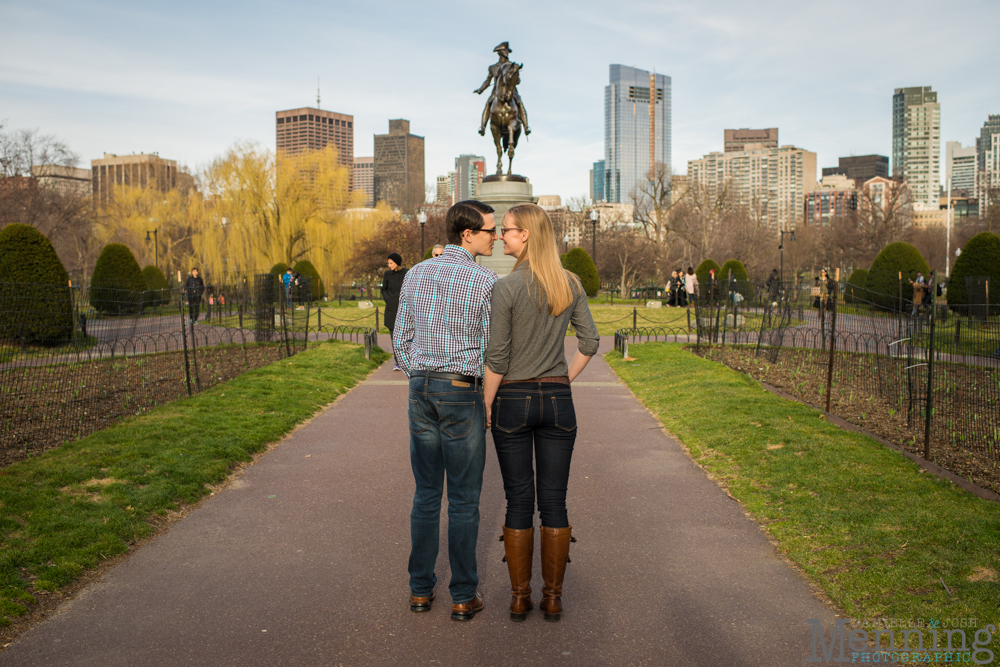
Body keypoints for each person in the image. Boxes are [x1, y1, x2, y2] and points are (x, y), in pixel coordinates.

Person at [484, 202, 599, 623]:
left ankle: (519, 597)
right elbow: (590, 342)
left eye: (508, 230)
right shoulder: (569, 283)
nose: (501, 236)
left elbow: (497, 356)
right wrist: (564, 379)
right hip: (557, 398)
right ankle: (553, 597)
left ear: (526, 235)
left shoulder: (506, 288)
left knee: (519, 499)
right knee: (554, 500)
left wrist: (486, 403)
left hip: (513, 397)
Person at [393, 200, 498, 622]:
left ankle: (420, 590)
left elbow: (400, 337)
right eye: (489, 230)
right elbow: (494, 348)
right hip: (461, 389)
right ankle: (462, 594)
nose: (494, 237)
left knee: (426, 495)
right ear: (467, 234)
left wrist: (419, 377)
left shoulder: (416, 273)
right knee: (464, 500)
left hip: (421, 388)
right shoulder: (485, 281)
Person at [474, 42, 530, 137]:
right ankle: (482, 127)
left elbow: (518, 80)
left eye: (507, 51)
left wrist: (514, 79)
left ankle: (526, 126)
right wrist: (481, 89)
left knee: (519, 103)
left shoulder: (513, 65)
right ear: (499, 52)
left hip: (511, 91)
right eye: (504, 50)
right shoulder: (493, 67)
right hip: (497, 92)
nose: (506, 52)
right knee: (488, 103)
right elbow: (488, 81)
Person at [381, 252, 408, 371]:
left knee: (406, 335)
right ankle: (397, 361)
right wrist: (388, 299)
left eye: (391, 263)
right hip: (391, 309)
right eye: (388, 263)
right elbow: (384, 289)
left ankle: (406, 360)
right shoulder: (387, 274)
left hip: (404, 309)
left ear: (397, 263)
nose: (389, 265)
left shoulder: (407, 273)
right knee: (394, 337)